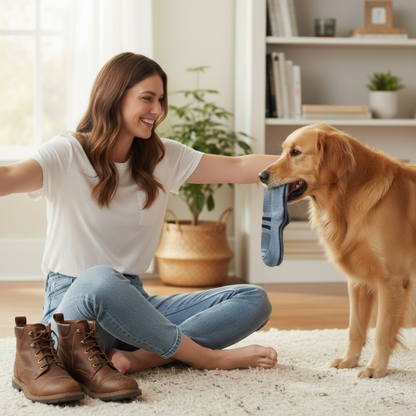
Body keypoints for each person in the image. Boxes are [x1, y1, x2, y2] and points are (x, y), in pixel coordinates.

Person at [2, 52, 280, 376]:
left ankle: (141, 359)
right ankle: (206, 357)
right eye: (147, 98)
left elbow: (239, 166)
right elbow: (8, 176)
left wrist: (311, 161)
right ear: (114, 97)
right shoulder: (67, 152)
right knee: (101, 279)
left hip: (134, 301)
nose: (157, 110)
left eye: (160, 99)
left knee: (253, 300)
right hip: (75, 310)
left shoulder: (162, 157)